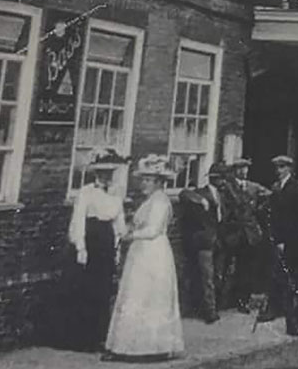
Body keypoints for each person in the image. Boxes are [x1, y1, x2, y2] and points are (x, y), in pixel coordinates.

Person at [105, 155, 185, 361]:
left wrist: (130, 235)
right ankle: (128, 346)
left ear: (159, 182)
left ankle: (149, 347)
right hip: (141, 252)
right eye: (143, 180)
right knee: (135, 294)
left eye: (148, 180)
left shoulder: (161, 201)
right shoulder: (150, 201)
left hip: (153, 252)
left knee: (147, 295)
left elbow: (153, 230)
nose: (144, 184)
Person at [65, 149, 127, 352]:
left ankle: (101, 335)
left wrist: (118, 245)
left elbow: (119, 221)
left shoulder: (117, 192)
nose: (106, 177)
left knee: (104, 288)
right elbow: (79, 219)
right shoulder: (87, 192)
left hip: (106, 240)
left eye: (109, 173)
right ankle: (84, 338)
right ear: (95, 173)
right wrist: (80, 247)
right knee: (87, 288)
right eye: (102, 172)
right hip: (91, 239)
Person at [263, 155, 298, 335]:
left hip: (294, 244)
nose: (279, 171)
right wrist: (276, 239)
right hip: (280, 242)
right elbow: (274, 217)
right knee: (283, 282)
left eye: (282, 168)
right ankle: (289, 321)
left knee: (297, 284)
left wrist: (288, 241)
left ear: (290, 169)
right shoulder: (276, 188)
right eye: (277, 168)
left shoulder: (296, 188)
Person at [178, 163, 226, 323]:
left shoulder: (224, 195)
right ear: (214, 179)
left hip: (219, 241)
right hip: (204, 242)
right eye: (221, 178)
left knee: (217, 276)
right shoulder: (200, 193)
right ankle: (209, 312)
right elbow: (183, 194)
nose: (224, 181)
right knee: (207, 278)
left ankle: (214, 306)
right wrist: (201, 201)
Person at [227, 158, 269, 313]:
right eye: (240, 168)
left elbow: (270, 196)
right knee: (230, 267)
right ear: (235, 170)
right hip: (234, 233)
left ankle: (243, 300)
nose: (243, 171)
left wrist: (259, 209)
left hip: (250, 234)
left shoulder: (253, 187)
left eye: (246, 168)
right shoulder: (228, 187)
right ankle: (229, 300)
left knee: (247, 268)